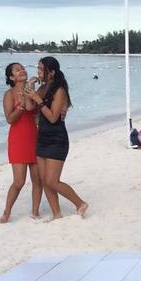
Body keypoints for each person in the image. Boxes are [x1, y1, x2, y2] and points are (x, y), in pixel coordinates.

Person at [23, 56, 89, 220]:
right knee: (44, 181)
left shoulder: (59, 91)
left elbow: (53, 118)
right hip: (42, 138)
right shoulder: (42, 88)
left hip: (56, 139)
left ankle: (80, 203)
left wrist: (38, 100)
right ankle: (56, 214)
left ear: (51, 72)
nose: (38, 72)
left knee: (52, 180)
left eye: (41, 69)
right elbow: (29, 107)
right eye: (37, 68)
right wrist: (28, 88)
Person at [0, 62, 43, 223]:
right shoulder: (9, 94)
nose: (22, 70)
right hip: (18, 139)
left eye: (22, 68)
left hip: (35, 136)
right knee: (19, 181)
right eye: (17, 70)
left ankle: (35, 212)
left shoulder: (32, 91)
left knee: (38, 179)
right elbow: (10, 119)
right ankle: (7, 212)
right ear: (12, 77)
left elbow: (36, 112)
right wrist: (21, 107)